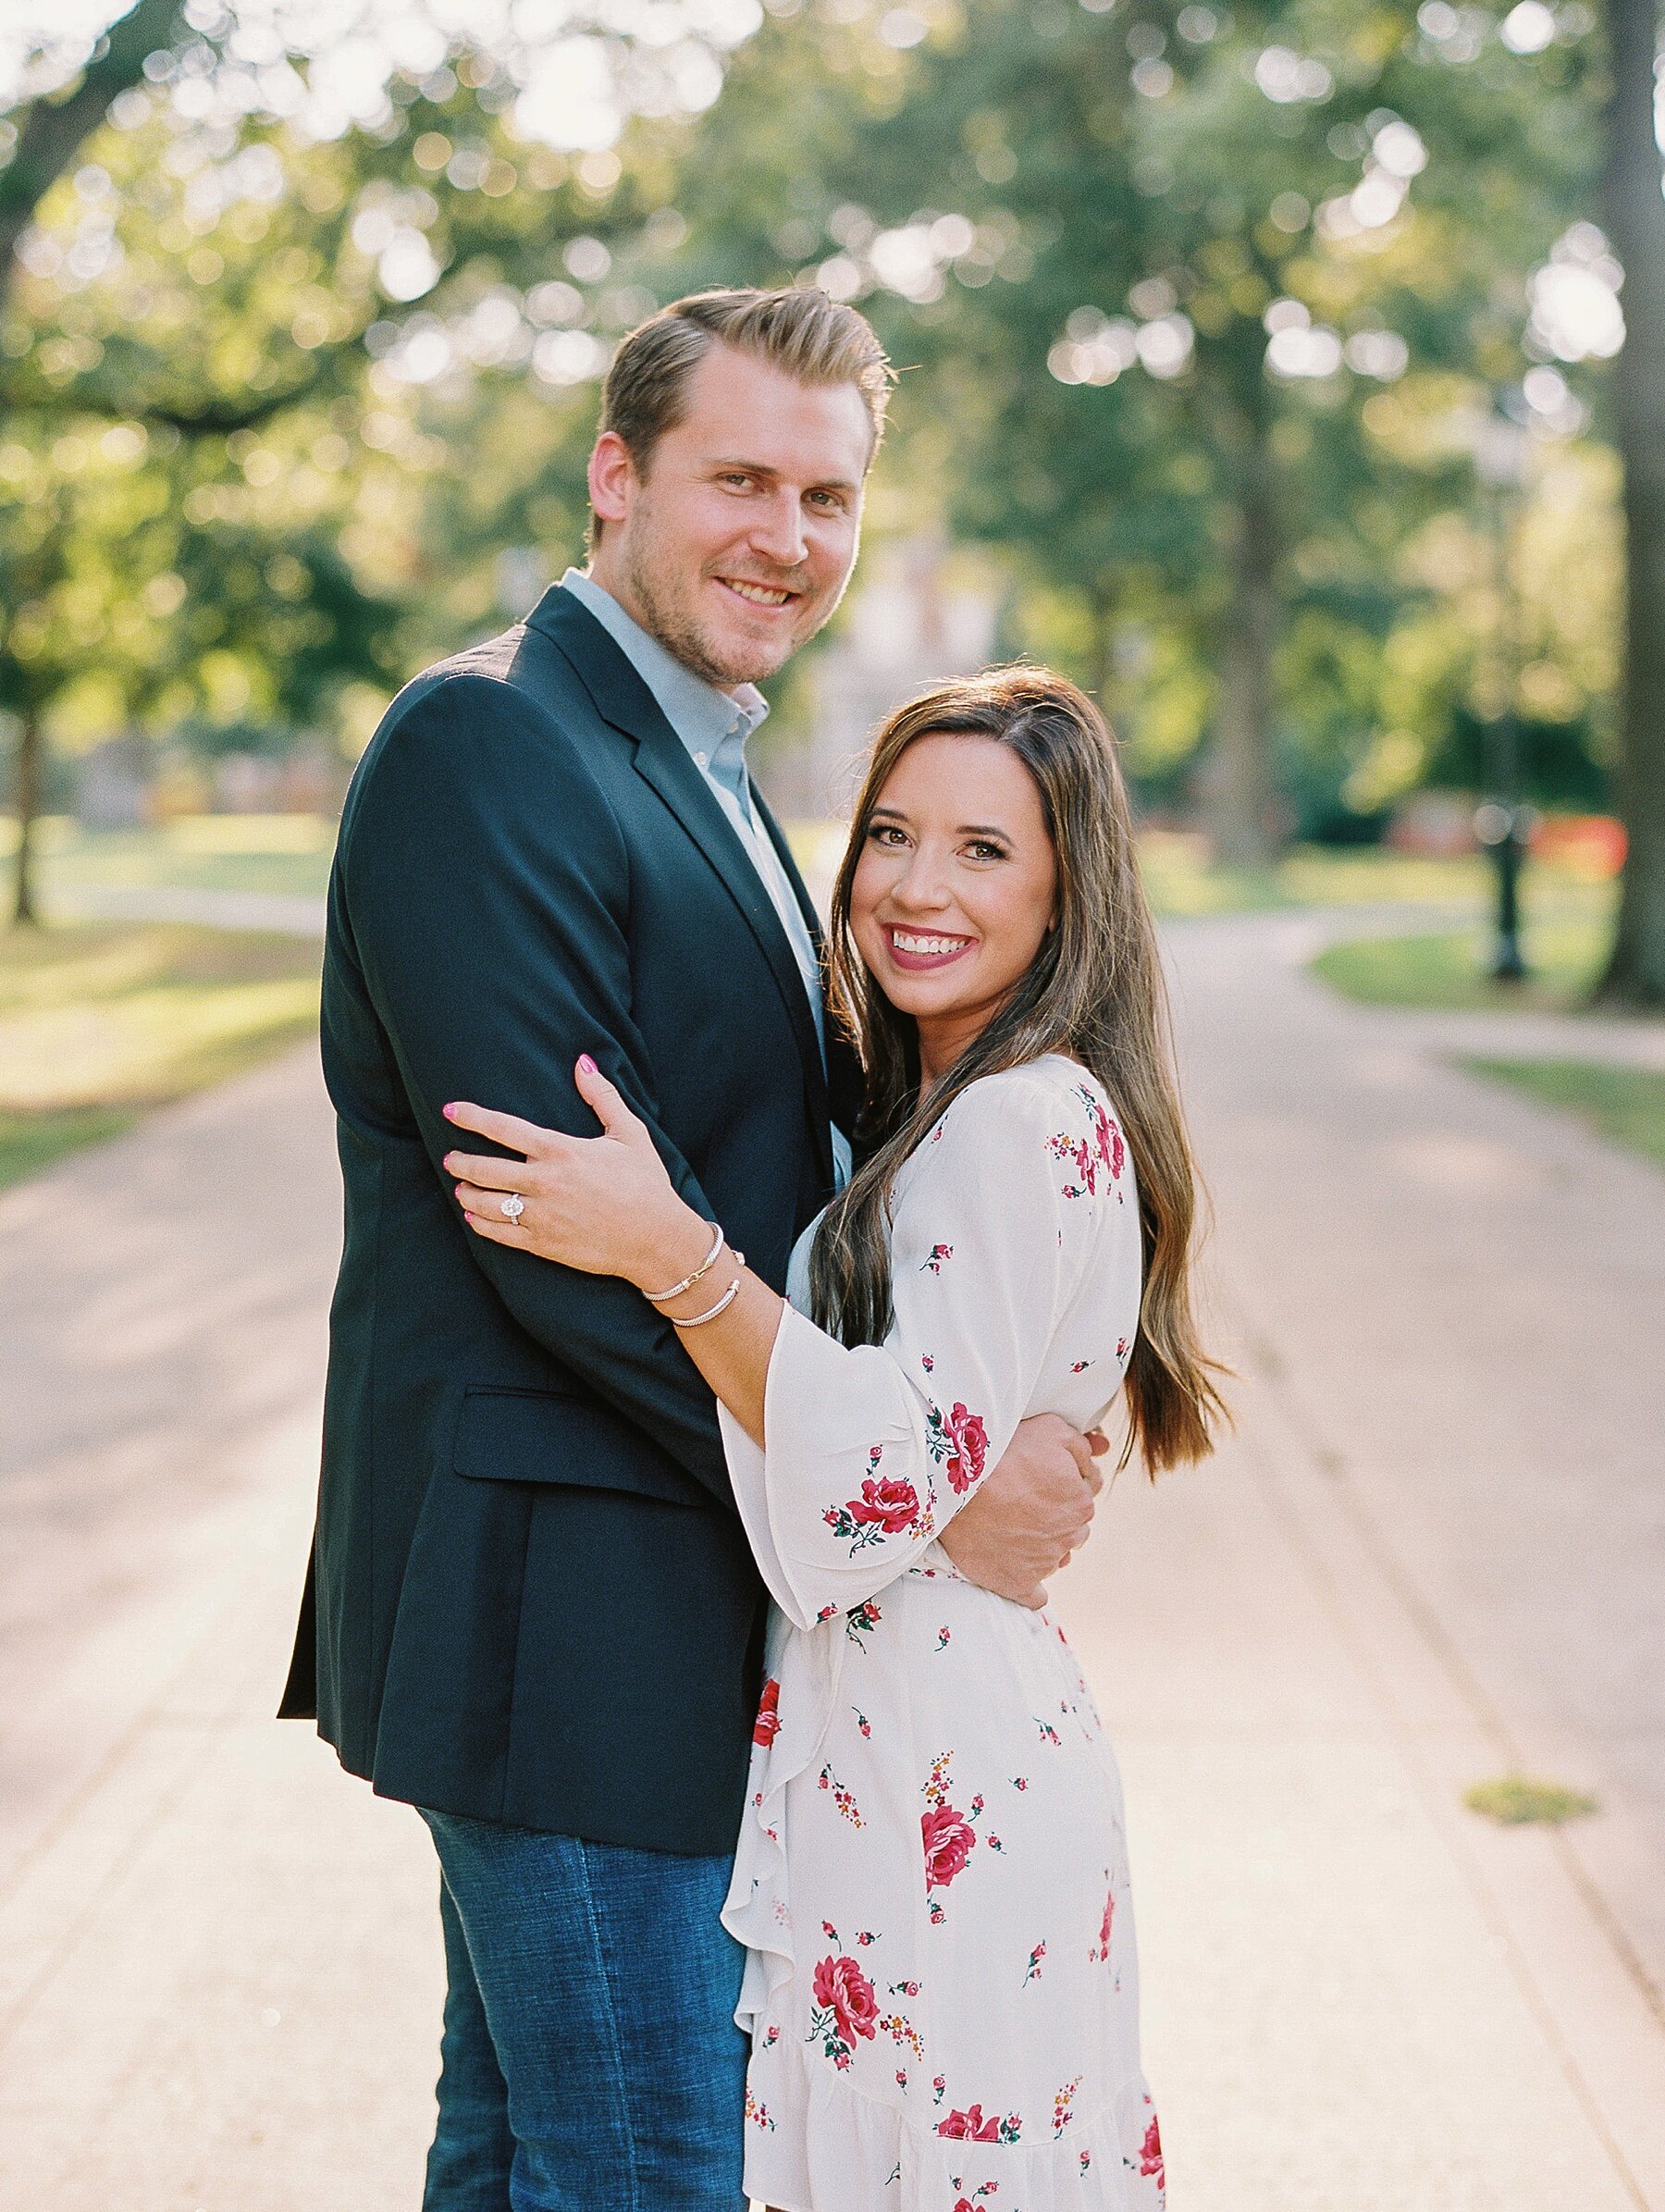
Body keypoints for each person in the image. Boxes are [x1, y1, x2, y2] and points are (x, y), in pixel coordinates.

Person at [279, 288, 1110, 2211]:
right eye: (741, 477)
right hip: (559, 1619)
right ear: (614, 476)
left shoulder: (702, 760)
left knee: (522, 2153)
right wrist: (921, 1490)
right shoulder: (489, 746)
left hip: (653, 1611)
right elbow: (552, 1238)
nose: (789, 538)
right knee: (652, 2165)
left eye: (829, 497)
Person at [443, 664, 1227, 2209]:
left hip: (947, 1769)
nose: (917, 887)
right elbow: (920, 1442)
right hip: (885, 1744)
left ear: (1072, 893)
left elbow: (873, 1479)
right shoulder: (926, 1111)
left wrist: (667, 1248)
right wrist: (958, 1485)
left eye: (984, 850)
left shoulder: (1024, 1120)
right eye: (889, 834)